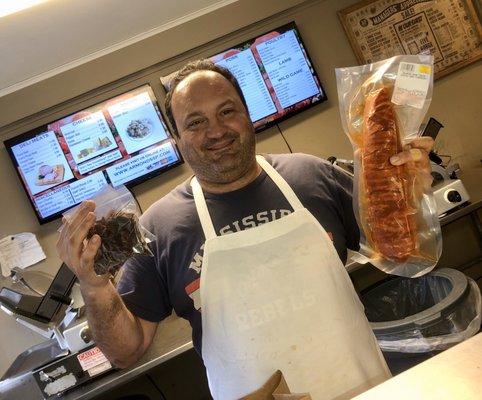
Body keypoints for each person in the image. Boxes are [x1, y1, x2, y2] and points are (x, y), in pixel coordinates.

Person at [57, 59, 434, 399]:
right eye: (196, 122)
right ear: (177, 140)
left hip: (363, 386)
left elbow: (404, 254)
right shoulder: (159, 227)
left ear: (248, 115)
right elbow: (127, 351)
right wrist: (93, 285)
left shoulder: (310, 175)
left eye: (227, 111)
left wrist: (409, 187)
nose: (216, 130)